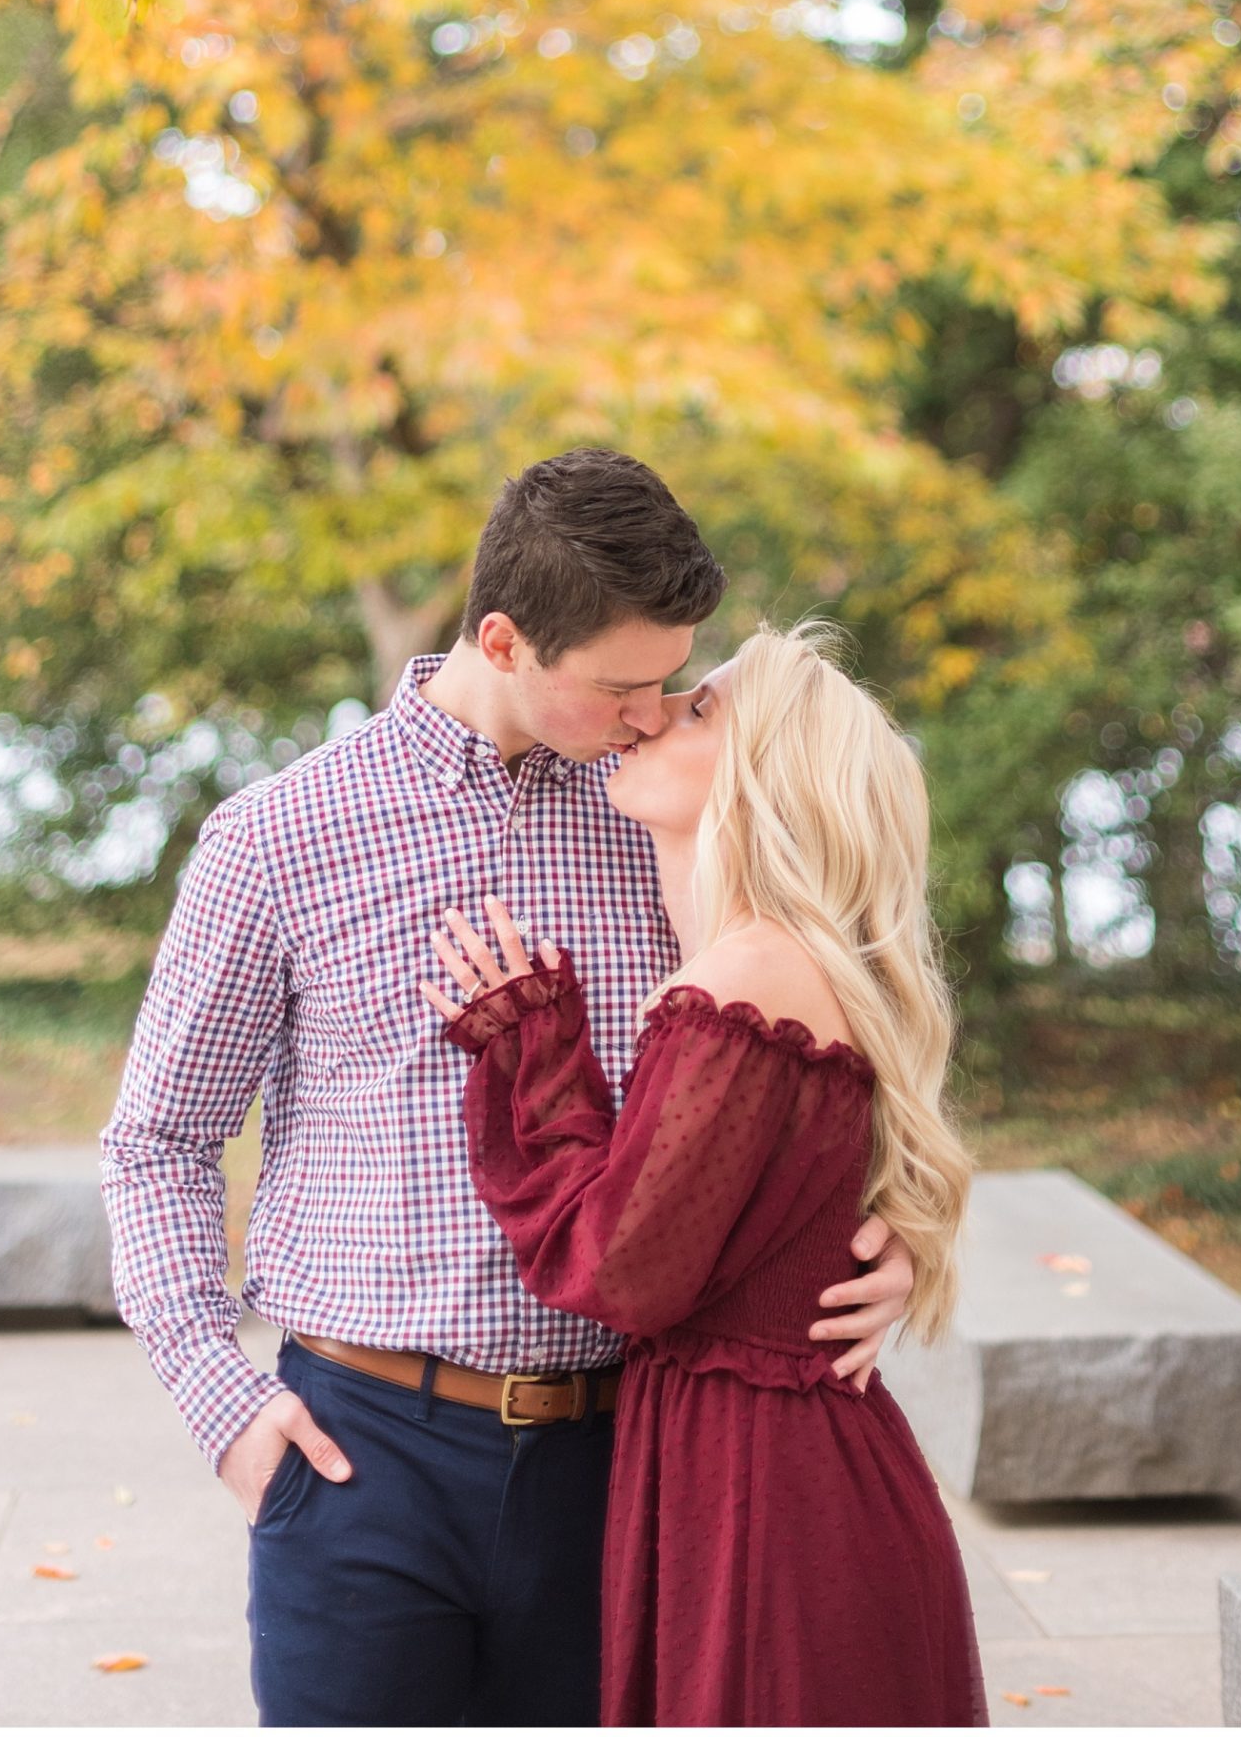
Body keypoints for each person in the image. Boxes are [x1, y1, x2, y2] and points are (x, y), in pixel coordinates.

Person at [101, 450, 919, 1728]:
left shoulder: (671, 814)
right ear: (504, 639)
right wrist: (229, 1411)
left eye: (673, 684)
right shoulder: (280, 834)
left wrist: (889, 1237)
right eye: (623, 687)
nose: (653, 713)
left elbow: (818, 1030)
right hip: (362, 1454)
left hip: (625, 1464)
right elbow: (156, 1140)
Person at [422, 621, 988, 1728]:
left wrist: (534, 1047)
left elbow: (624, 1266)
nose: (650, 712)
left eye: (694, 709)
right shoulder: (766, 965)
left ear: (759, 774)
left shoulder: (746, 981)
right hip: (757, 1464)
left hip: (769, 1496)